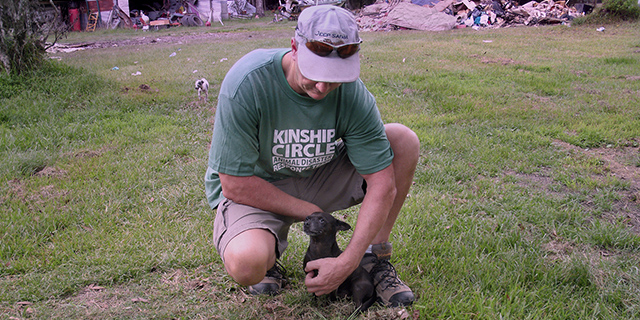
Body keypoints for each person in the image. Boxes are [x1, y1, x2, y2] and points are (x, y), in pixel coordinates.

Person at [204, 5, 420, 307]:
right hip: (257, 186)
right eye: (315, 73)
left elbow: (383, 184)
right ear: (294, 47)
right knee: (247, 262)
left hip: (318, 174)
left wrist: (348, 261)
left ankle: (375, 258)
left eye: (334, 78)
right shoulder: (248, 82)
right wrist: (312, 212)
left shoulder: (352, 94)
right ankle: (268, 258)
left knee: (402, 141)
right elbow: (234, 184)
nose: (322, 87)